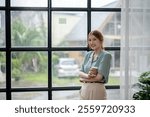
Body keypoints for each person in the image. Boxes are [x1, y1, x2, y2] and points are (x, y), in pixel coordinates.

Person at [79, 30, 112, 100]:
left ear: (101, 40)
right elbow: (80, 72)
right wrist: (87, 76)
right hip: (84, 89)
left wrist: (83, 79)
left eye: (94, 39)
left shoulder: (106, 56)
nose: (91, 42)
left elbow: (98, 78)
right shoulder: (88, 55)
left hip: (97, 90)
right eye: (89, 40)